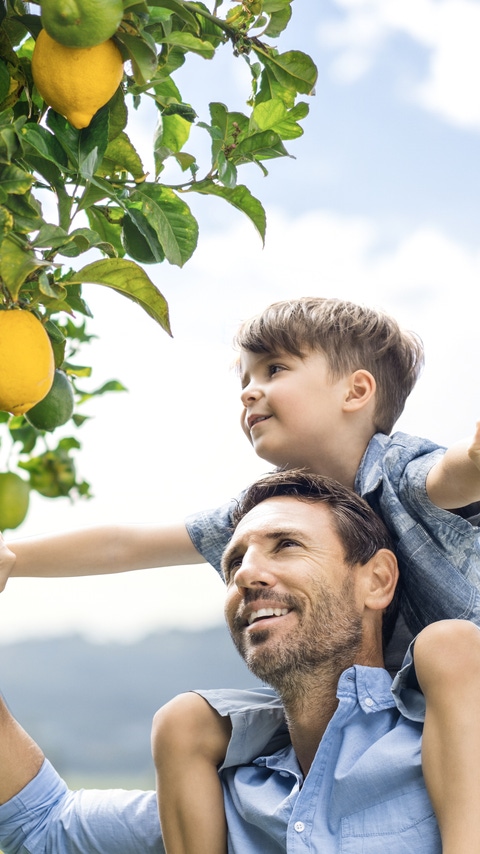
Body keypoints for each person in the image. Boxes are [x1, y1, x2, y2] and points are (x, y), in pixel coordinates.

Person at [2, 297, 480, 852]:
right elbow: (123, 544)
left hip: (455, 687)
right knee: (187, 721)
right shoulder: (243, 796)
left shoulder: (400, 471)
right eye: (236, 561)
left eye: (274, 370)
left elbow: (452, 476)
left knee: (448, 645)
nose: (249, 391)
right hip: (370, 707)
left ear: (357, 391)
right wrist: (13, 558)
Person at [0, 470, 453, 853]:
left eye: (287, 545)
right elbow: (40, 824)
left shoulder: (456, 753)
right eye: (234, 561)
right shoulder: (218, 807)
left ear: (377, 580)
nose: (245, 575)